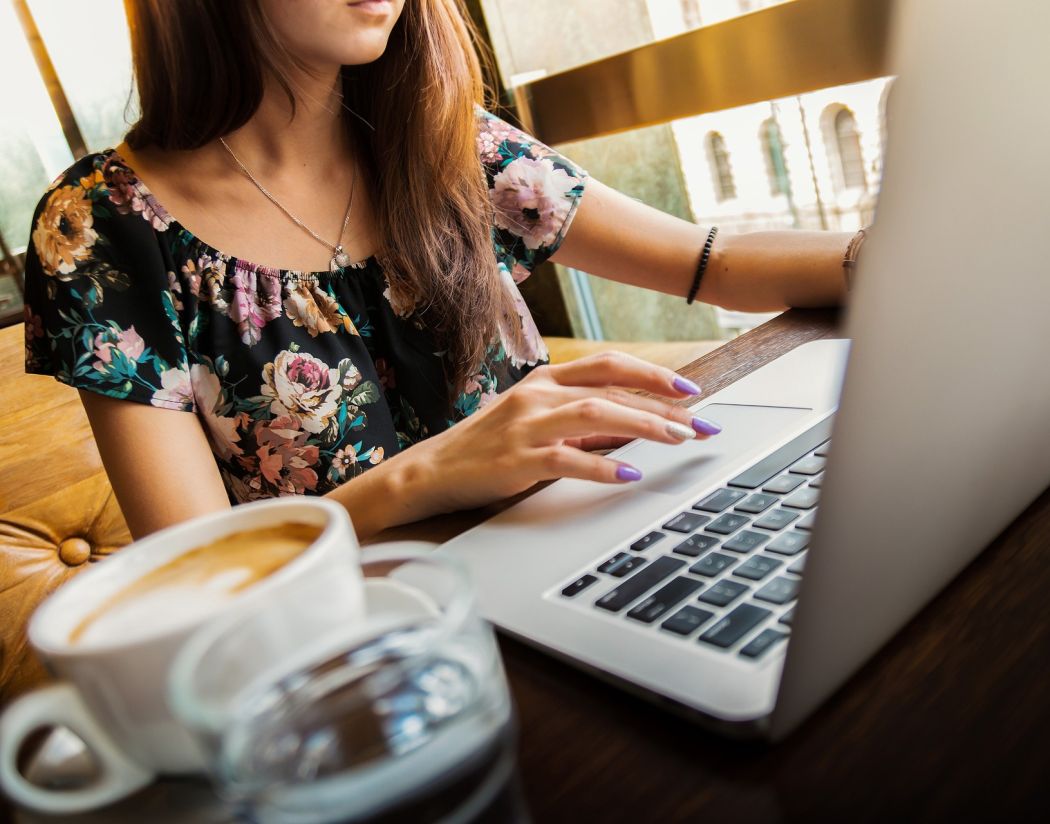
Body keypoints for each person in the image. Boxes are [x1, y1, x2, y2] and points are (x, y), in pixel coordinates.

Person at [23, 0, 852, 541]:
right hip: (361, 653)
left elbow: (713, 262)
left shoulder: (444, 138)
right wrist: (430, 474)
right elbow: (196, 571)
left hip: (572, 549)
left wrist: (894, 252)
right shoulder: (101, 226)